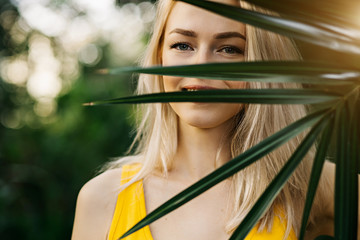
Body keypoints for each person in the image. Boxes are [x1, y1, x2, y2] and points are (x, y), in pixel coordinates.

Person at [71, 0, 339, 239]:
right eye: (183, 45)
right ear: (159, 58)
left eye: (229, 49)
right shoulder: (102, 199)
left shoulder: (308, 185)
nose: (201, 65)